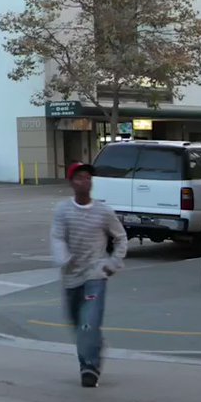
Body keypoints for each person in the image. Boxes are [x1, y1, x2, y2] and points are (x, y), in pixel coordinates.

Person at [50, 162, 128, 388]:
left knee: (88, 324)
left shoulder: (103, 211)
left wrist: (113, 263)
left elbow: (121, 237)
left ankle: (89, 367)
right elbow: (57, 237)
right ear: (71, 183)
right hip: (71, 277)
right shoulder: (63, 210)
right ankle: (96, 345)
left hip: (95, 275)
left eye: (88, 178)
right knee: (78, 324)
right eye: (80, 178)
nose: (85, 182)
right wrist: (63, 258)